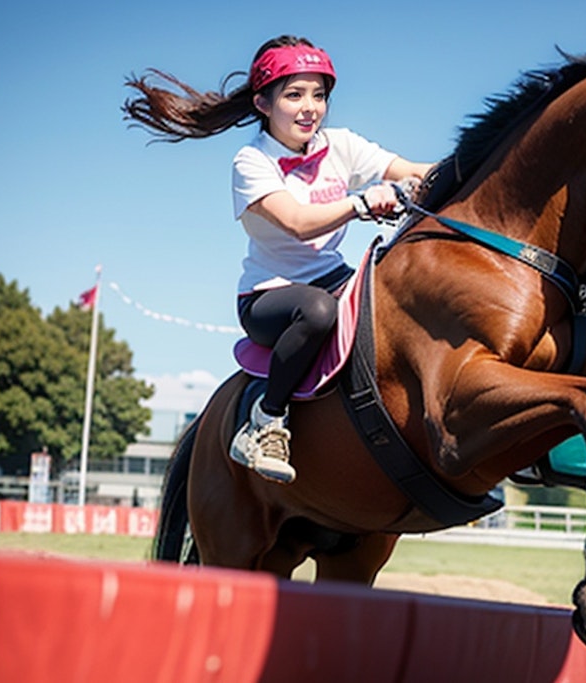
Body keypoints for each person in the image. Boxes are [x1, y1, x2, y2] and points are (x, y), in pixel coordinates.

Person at [123, 36, 432, 485]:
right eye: (295, 95)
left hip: (334, 278)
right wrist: (362, 203)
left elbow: (412, 169)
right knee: (318, 311)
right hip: (269, 298)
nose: (310, 107)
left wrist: (480, 164)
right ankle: (266, 420)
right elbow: (299, 222)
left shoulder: (341, 144)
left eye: (319, 95)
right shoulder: (251, 161)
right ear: (263, 103)